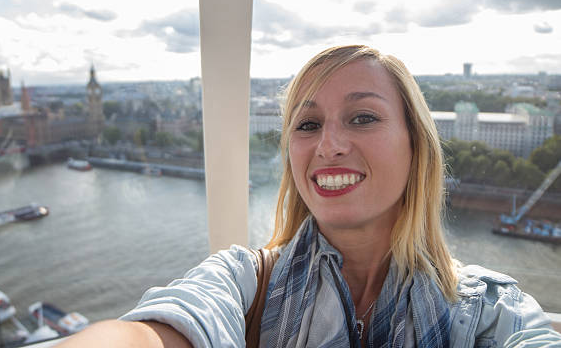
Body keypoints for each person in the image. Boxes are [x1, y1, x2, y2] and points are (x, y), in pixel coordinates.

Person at [57, 45, 561, 347]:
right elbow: (154, 333)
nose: (330, 145)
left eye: (362, 117)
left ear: (417, 145)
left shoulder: (489, 311)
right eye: (308, 124)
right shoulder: (242, 283)